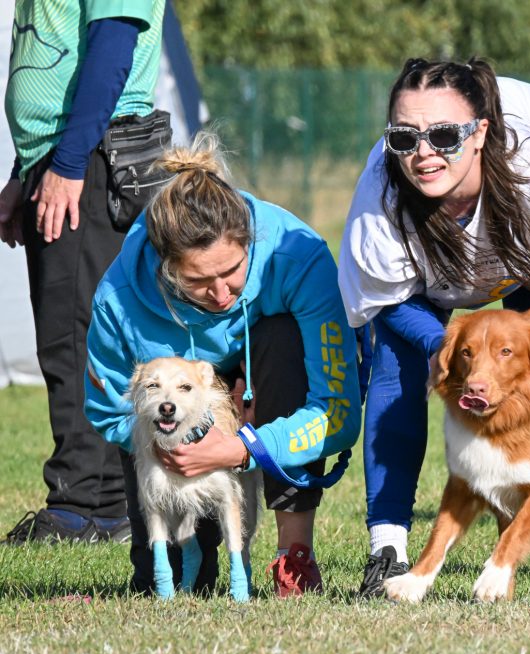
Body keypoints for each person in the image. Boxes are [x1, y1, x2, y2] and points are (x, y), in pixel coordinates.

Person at [338, 57, 530, 602]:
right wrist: (447, 348)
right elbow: (387, 301)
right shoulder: (382, 196)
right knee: (397, 373)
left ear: (480, 133)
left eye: (444, 135)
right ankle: (388, 551)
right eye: (404, 137)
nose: (423, 153)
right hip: (426, 290)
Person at [84, 134, 362, 597]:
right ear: (165, 267)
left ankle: (294, 559)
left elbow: (338, 413)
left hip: (261, 393)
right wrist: (166, 443)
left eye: (233, 270)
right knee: (174, 583)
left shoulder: (298, 257)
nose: (220, 294)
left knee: (282, 336)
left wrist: (245, 446)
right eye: (197, 280)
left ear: (249, 241)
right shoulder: (118, 300)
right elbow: (109, 408)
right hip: (172, 422)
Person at [0, 1, 168, 544]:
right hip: (64, 159)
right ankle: (104, 506)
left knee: (78, 339)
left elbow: (113, 46)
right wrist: (25, 172)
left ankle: (84, 510)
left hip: (92, 163)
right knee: (71, 334)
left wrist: (68, 165)